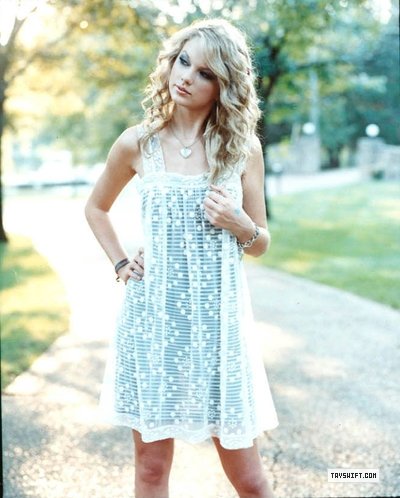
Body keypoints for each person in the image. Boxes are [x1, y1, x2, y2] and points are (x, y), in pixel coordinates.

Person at [85, 18, 279, 498]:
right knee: (151, 472)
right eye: (184, 61)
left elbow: (260, 242)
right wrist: (121, 263)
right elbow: (96, 208)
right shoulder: (137, 143)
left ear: (224, 86)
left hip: (219, 331)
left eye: (205, 73)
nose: (187, 77)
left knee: (251, 481)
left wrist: (240, 224)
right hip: (154, 327)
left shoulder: (243, 150)